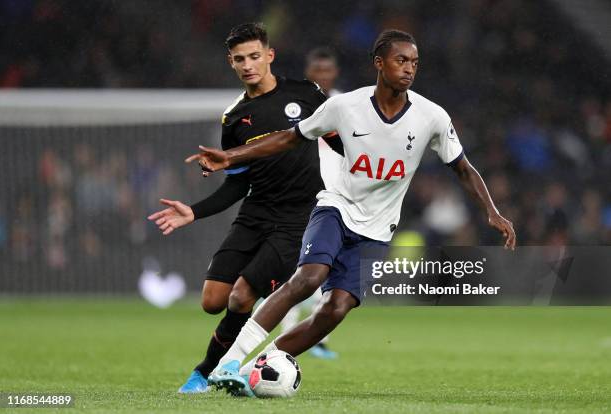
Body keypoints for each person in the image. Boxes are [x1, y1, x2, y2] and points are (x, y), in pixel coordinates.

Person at [189, 29, 516, 396]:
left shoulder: (432, 117)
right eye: (401, 60)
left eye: (414, 62)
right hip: (335, 208)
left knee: (336, 308)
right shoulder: (345, 106)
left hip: (378, 229)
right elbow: (289, 137)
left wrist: (492, 210)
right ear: (379, 63)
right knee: (309, 278)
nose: (409, 69)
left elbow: (463, 167)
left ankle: (252, 369)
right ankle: (229, 363)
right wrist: (230, 156)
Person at [147, 22, 341, 394]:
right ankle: (231, 354)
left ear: (269, 56)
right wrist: (194, 211)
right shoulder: (234, 118)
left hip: (298, 219)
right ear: (231, 64)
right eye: (240, 59)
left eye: (255, 56)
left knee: (240, 296)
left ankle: (206, 371)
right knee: (213, 300)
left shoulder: (306, 94)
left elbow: (340, 139)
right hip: (255, 213)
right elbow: (236, 182)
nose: (248, 64)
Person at [279, 47, 343, 360]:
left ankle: (317, 337)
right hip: (301, 193)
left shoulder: (347, 105)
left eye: (327, 70)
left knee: (331, 267)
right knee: (301, 268)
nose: (323, 76)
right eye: (317, 70)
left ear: (335, 73)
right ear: (309, 73)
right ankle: (288, 332)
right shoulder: (296, 106)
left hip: (338, 195)